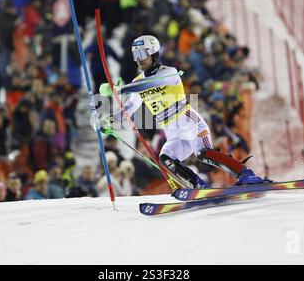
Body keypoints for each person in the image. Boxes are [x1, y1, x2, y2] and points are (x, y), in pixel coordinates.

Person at [99, 35, 271, 188]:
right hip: (173, 134)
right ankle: (198, 186)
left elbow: (151, 84)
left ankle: (246, 175)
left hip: (190, 124)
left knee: (203, 154)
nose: (138, 60)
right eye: (136, 55)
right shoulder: (137, 83)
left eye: (142, 54)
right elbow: (128, 108)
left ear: (153, 53)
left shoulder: (168, 73)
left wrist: (119, 88)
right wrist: (109, 122)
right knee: (165, 158)